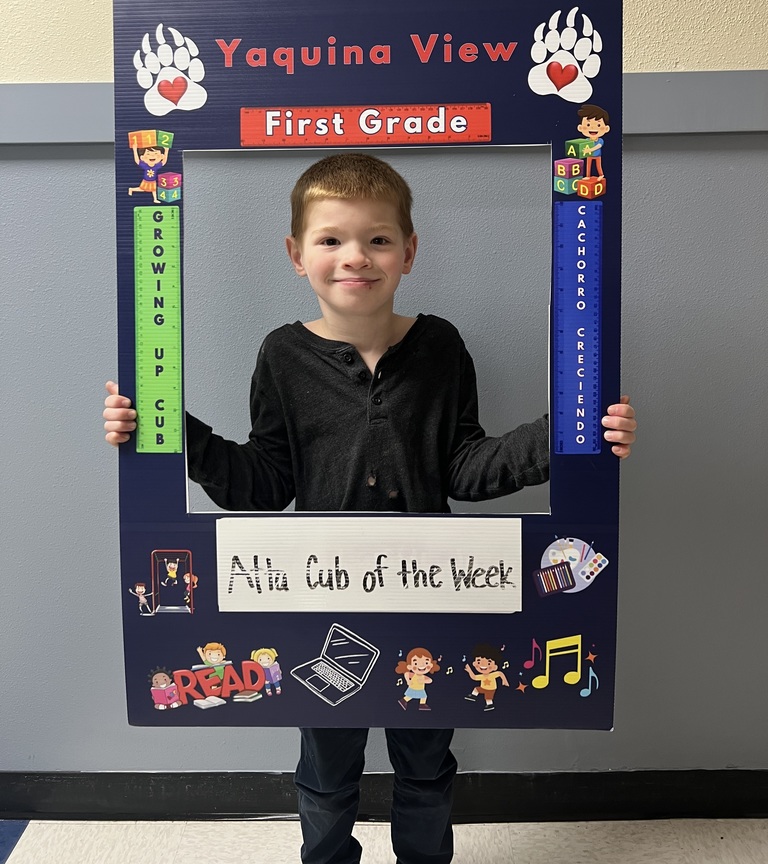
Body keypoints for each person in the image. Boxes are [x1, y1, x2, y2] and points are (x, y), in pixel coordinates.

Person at [104, 153, 636, 864]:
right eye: (330, 240)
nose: (355, 257)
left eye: (378, 239)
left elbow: (465, 467)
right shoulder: (282, 356)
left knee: (426, 764)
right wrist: (170, 432)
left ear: (408, 252)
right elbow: (262, 482)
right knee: (325, 775)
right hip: (317, 608)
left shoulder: (440, 346)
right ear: (297, 255)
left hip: (433, 602)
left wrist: (571, 433)